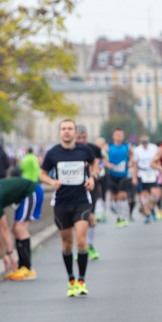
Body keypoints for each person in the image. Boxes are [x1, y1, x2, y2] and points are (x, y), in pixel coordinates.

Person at [40, 119, 97, 297]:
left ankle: (81, 280)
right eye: (63, 129)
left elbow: (94, 164)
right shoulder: (53, 153)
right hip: (61, 203)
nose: (67, 132)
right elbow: (42, 174)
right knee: (67, 244)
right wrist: (51, 181)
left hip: (81, 201)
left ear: (74, 132)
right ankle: (71, 279)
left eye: (70, 129)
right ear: (59, 133)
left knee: (81, 241)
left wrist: (92, 178)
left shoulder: (84, 150)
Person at [75, 127, 102, 260]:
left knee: (90, 217)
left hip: (90, 187)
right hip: (73, 188)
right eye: (78, 138)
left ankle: (89, 245)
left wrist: (96, 171)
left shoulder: (92, 149)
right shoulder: (67, 151)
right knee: (77, 220)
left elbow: (99, 163)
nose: (81, 140)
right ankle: (81, 245)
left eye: (84, 137)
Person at [106, 128, 135, 227]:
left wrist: (131, 162)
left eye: (121, 135)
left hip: (124, 174)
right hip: (112, 175)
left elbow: (132, 155)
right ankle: (119, 216)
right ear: (113, 136)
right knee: (115, 197)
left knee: (123, 195)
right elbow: (102, 157)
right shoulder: (108, 146)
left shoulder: (127, 146)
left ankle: (123, 217)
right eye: (117, 135)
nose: (119, 137)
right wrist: (107, 163)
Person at [133, 135, 160, 223]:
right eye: (143, 142)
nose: (145, 144)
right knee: (144, 194)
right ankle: (146, 213)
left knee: (155, 195)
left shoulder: (154, 148)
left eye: (146, 142)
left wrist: (158, 170)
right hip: (142, 173)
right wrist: (135, 177)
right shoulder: (137, 150)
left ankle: (151, 208)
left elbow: (158, 160)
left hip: (152, 172)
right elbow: (135, 164)